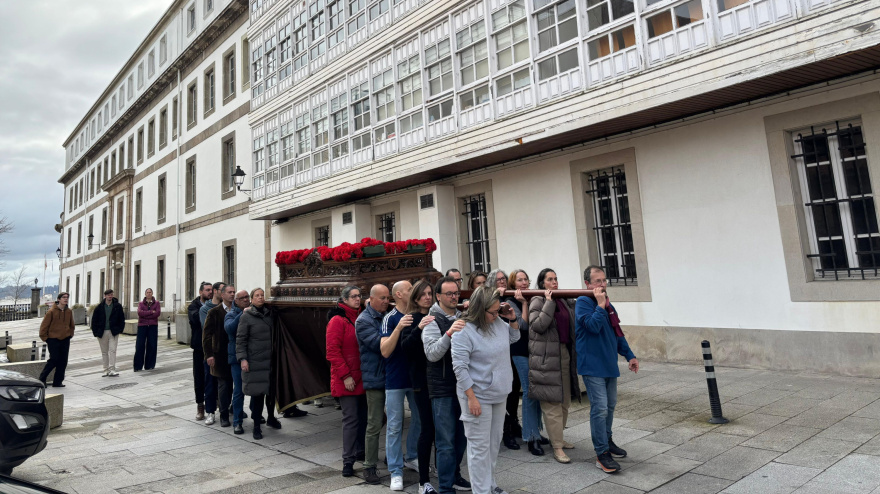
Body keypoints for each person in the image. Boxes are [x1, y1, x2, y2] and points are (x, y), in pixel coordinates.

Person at [451, 286, 520, 494]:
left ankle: (490, 485)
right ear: (480, 309)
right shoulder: (463, 330)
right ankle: (481, 491)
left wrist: (512, 319)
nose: (496, 315)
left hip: (499, 393)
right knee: (479, 449)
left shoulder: (498, 322)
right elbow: (460, 368)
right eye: (492, 312)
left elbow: (513, 338)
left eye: (498, 310)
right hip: (476, 395)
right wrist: (470, 397)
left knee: (493, 444)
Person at [575, 266, 639, 474]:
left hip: (609, 364)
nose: (602, 284)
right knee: (600, 407)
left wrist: (630, 355)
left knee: (610, 406)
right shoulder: (583, 303)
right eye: (597, 281)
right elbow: (592, 327)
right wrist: (601, 306)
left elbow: (617, 333)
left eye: (604, 280)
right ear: (588, 284)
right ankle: (601, 453)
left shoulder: (609, 306)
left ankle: (607, 440)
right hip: (592, 365)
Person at [422, 276, 471, 494]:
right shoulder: (432, 320)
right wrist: (450, 333)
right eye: (449, 294)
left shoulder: (463, 316)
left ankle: (454, 476)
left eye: (456, 293)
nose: (454, 297)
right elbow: (432, 354)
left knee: (461, 439)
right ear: (438, 296)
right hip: (442, 388)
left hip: (463, 386)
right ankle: (444, 487)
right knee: (446, 442)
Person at [528, 269, 580, 464]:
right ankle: (557, 447)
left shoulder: (563, 300)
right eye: (550, 279)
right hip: (546, 359)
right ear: (542, 283)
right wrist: (548, 303)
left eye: (556, 279)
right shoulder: (538, 300)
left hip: (564, 354)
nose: (554, 282)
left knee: (565, 400)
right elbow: (538, 326)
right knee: (552, 404)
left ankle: (558, 438)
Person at [380, 280, 421, 492]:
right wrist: (399, 327)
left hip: (415, 379)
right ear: (399, 294)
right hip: (395, 379)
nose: (413, 291)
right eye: (409, 289)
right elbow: (385, 351)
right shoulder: (390, 318)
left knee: (420, 419)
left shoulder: (418, 313)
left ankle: (412, 456)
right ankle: (396, 471)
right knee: (395, 426)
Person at [400, 280, 438, 494]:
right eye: (422, 294)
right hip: (420, 382)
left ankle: (444, 472)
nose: (427, 297)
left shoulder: (436, 315)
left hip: (439, 380)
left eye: (429, 293)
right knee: (427, 429)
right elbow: (405, 348)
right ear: (415, 298)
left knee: (442, 429)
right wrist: (419, 328)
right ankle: (423, 481)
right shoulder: (411, 318)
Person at [504, 269, 548, 456]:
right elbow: (523, 326)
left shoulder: (532, 297)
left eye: (525, 279)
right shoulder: (510, 301)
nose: (523, 282)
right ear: (513, 284)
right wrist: (523, 303)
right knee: (530, 391)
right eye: (519, 280)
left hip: (533, 350)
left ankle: (535, 430)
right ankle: (530, 437)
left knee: (536, 391)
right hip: (519, 351)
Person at [326, 286, 366, 477]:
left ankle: (360, 449)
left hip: (363, 376)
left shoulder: (360, 317)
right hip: (347, 378)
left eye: (359, 296)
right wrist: (346, 376)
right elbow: (332, 351)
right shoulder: (337, 320)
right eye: (354, 296)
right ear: (344, 299)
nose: (358, 299)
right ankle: (348, 460)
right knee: (351, 419)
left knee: (369, 418)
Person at [355, 283, 390, 485]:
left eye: (388, 298)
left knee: (394, 422)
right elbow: (380, 345)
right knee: (375, 423)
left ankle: (391, 457)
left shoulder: (388, 315)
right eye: (383, 298)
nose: (387, 301)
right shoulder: (363, 320)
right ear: (372, 299)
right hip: (375, 377)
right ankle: (369, 465)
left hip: (390, 376)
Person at [238, 288, 282, 439]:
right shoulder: (246, 316)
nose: (260, 298)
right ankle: (256, 426)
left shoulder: (270, 313)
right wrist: (243, 359)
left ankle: (271, 417)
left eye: (262, 295)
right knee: (257, 395)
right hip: (255, 361)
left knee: (271, 393)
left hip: (270, 360)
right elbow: (241, 339)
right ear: (251, 298)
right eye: (257, 295)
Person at [485, 269, 519, 451]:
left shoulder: (510, 298)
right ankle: (505, 431)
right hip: (495, 356)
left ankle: (513, 424)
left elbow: (516, 331)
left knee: (513, 391)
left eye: (504, 279)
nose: (502, 282)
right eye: (498, 280)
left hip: (510, 351)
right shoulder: (490, 302)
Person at [203, 284, 235, 428]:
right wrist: (209, 354)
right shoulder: (214, 312)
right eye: (229, 292)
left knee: (232, 386)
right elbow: (207, 335)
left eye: (234, 292)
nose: (232, 295)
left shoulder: (237, 310)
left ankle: (231, 408)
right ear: (222, 295)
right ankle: (223, 415)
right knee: (223, 385)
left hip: (234, 353)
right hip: (219, 354)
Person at [225, 289, 250, 434]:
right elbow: (229, 329)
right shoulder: (231, 314)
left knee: (255, 388)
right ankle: (237, 422)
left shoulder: (252, 311)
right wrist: (243, 314)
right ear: (236, 301)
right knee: (239, 390)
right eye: (242, 298)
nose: (246, 300)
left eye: (247, 297)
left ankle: (256, 415)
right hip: (236, 358)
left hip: (252, 356)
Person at [188, 281, 214, 421]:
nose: (210, 292)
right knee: (199, 377)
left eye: (211, 290)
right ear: (200, 292)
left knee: (213, 377)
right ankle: (200, 405)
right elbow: (196, 319)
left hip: (213, 346)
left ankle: (216, 403)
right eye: (207, 290)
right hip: (199, 348)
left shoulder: (214, 304)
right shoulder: (194, 306)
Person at [38, 292, 75, 387]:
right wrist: (46, 338)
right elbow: (44, 326)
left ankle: (58, 381)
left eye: (67, 297)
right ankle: (42, 379)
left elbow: (72, 325)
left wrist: (70, 334)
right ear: (59, 299)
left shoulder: (69, 311)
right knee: (54, 359)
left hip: (65, 339)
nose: (65, 299)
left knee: (63, 361)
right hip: (53, 339)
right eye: (63, 297)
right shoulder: (51, 312)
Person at [91, 289, 125, 377]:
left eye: (111, 294)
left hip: (113, 332)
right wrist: (96, 332)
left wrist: (119, 329)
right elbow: (94, 320)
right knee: (104, 352)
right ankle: (105, 369)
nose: (110, 296)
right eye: (108, 295)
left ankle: (112, 369)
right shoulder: (99, 307)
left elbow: (122, 318)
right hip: (102, 332)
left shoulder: (117, 306)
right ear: (105, 296)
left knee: (113, 350)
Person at [134, 288, 161, 372]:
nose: (149, 294)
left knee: (152, 345)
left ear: (152, 293)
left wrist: (146, 314)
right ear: (145, 294)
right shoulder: (141, 303)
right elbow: (140, 313)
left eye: (150, 292)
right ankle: (138, 366)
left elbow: (157, 313)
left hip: (153, 326)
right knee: (140, 345)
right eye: (147, 292)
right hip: (142, 325)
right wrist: (150, 312)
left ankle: (149, 365)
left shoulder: (156, 303)